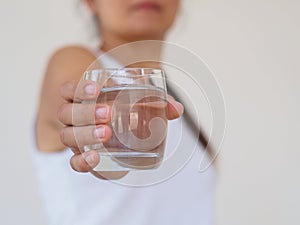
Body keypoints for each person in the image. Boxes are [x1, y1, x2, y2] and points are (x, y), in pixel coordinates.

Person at [34, 1, 215, 225]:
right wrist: (107, 147)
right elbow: (111, 150)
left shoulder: (170, 104)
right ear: (91, 2)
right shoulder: (72, 61)